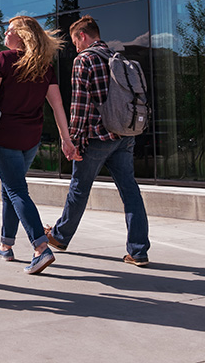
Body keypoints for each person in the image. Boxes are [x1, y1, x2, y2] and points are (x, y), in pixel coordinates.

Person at [45, 15, 151, 266]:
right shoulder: (119, 57)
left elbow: (79, 105)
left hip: (97, 137)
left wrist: (72, 140)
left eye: (75, 41)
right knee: (130, 190)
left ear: (82, 35)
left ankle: (60, 237)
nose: (75, 47)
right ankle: (138, 251)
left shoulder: (85, 59)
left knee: (79, 189)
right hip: (124, 135)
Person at [0, 16, 80, 275]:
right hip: (31, 139)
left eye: (10, 31)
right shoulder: (44, 67)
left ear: (23, 35)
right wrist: (65, 138)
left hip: (5, 136)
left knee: (16, 190)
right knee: (11, 188)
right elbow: (57, 105)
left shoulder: (2, 60)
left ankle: (40, 248)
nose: (5, 35)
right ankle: (5, 245)